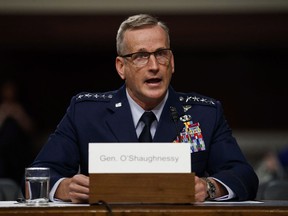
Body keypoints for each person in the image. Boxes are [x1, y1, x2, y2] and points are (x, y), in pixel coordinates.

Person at [24, 14, 259, 203]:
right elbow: (37, 175)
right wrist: (65, 188)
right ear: (121, 67)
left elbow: (244, 176)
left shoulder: (204, 113)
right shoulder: (85, 112)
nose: (154, 66)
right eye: (141, 56)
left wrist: (208, 187)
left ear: (172, 62)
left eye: (161, 54)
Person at [0, 80, 35, 186]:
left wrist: (19, 115)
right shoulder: (1, 108)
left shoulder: (21, 107)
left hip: (19, 150)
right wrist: (3, 114)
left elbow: (31, 129)